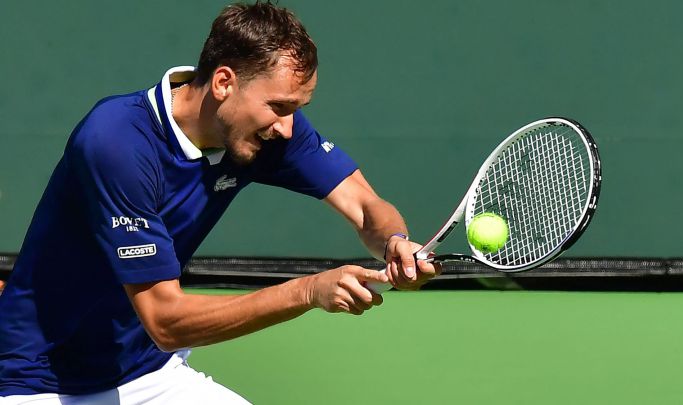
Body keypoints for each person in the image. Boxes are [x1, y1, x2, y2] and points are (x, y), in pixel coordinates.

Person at [0, 2, 440, 404]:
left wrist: (395, 242)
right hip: (37, 381)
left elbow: (365, 205)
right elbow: (166, 321)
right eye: (278, 106)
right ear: (224, 82)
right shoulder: (116, 142)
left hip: (145, 371)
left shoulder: (268, 130)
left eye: (296, 108)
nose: (288, 127)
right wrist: (307, 290)